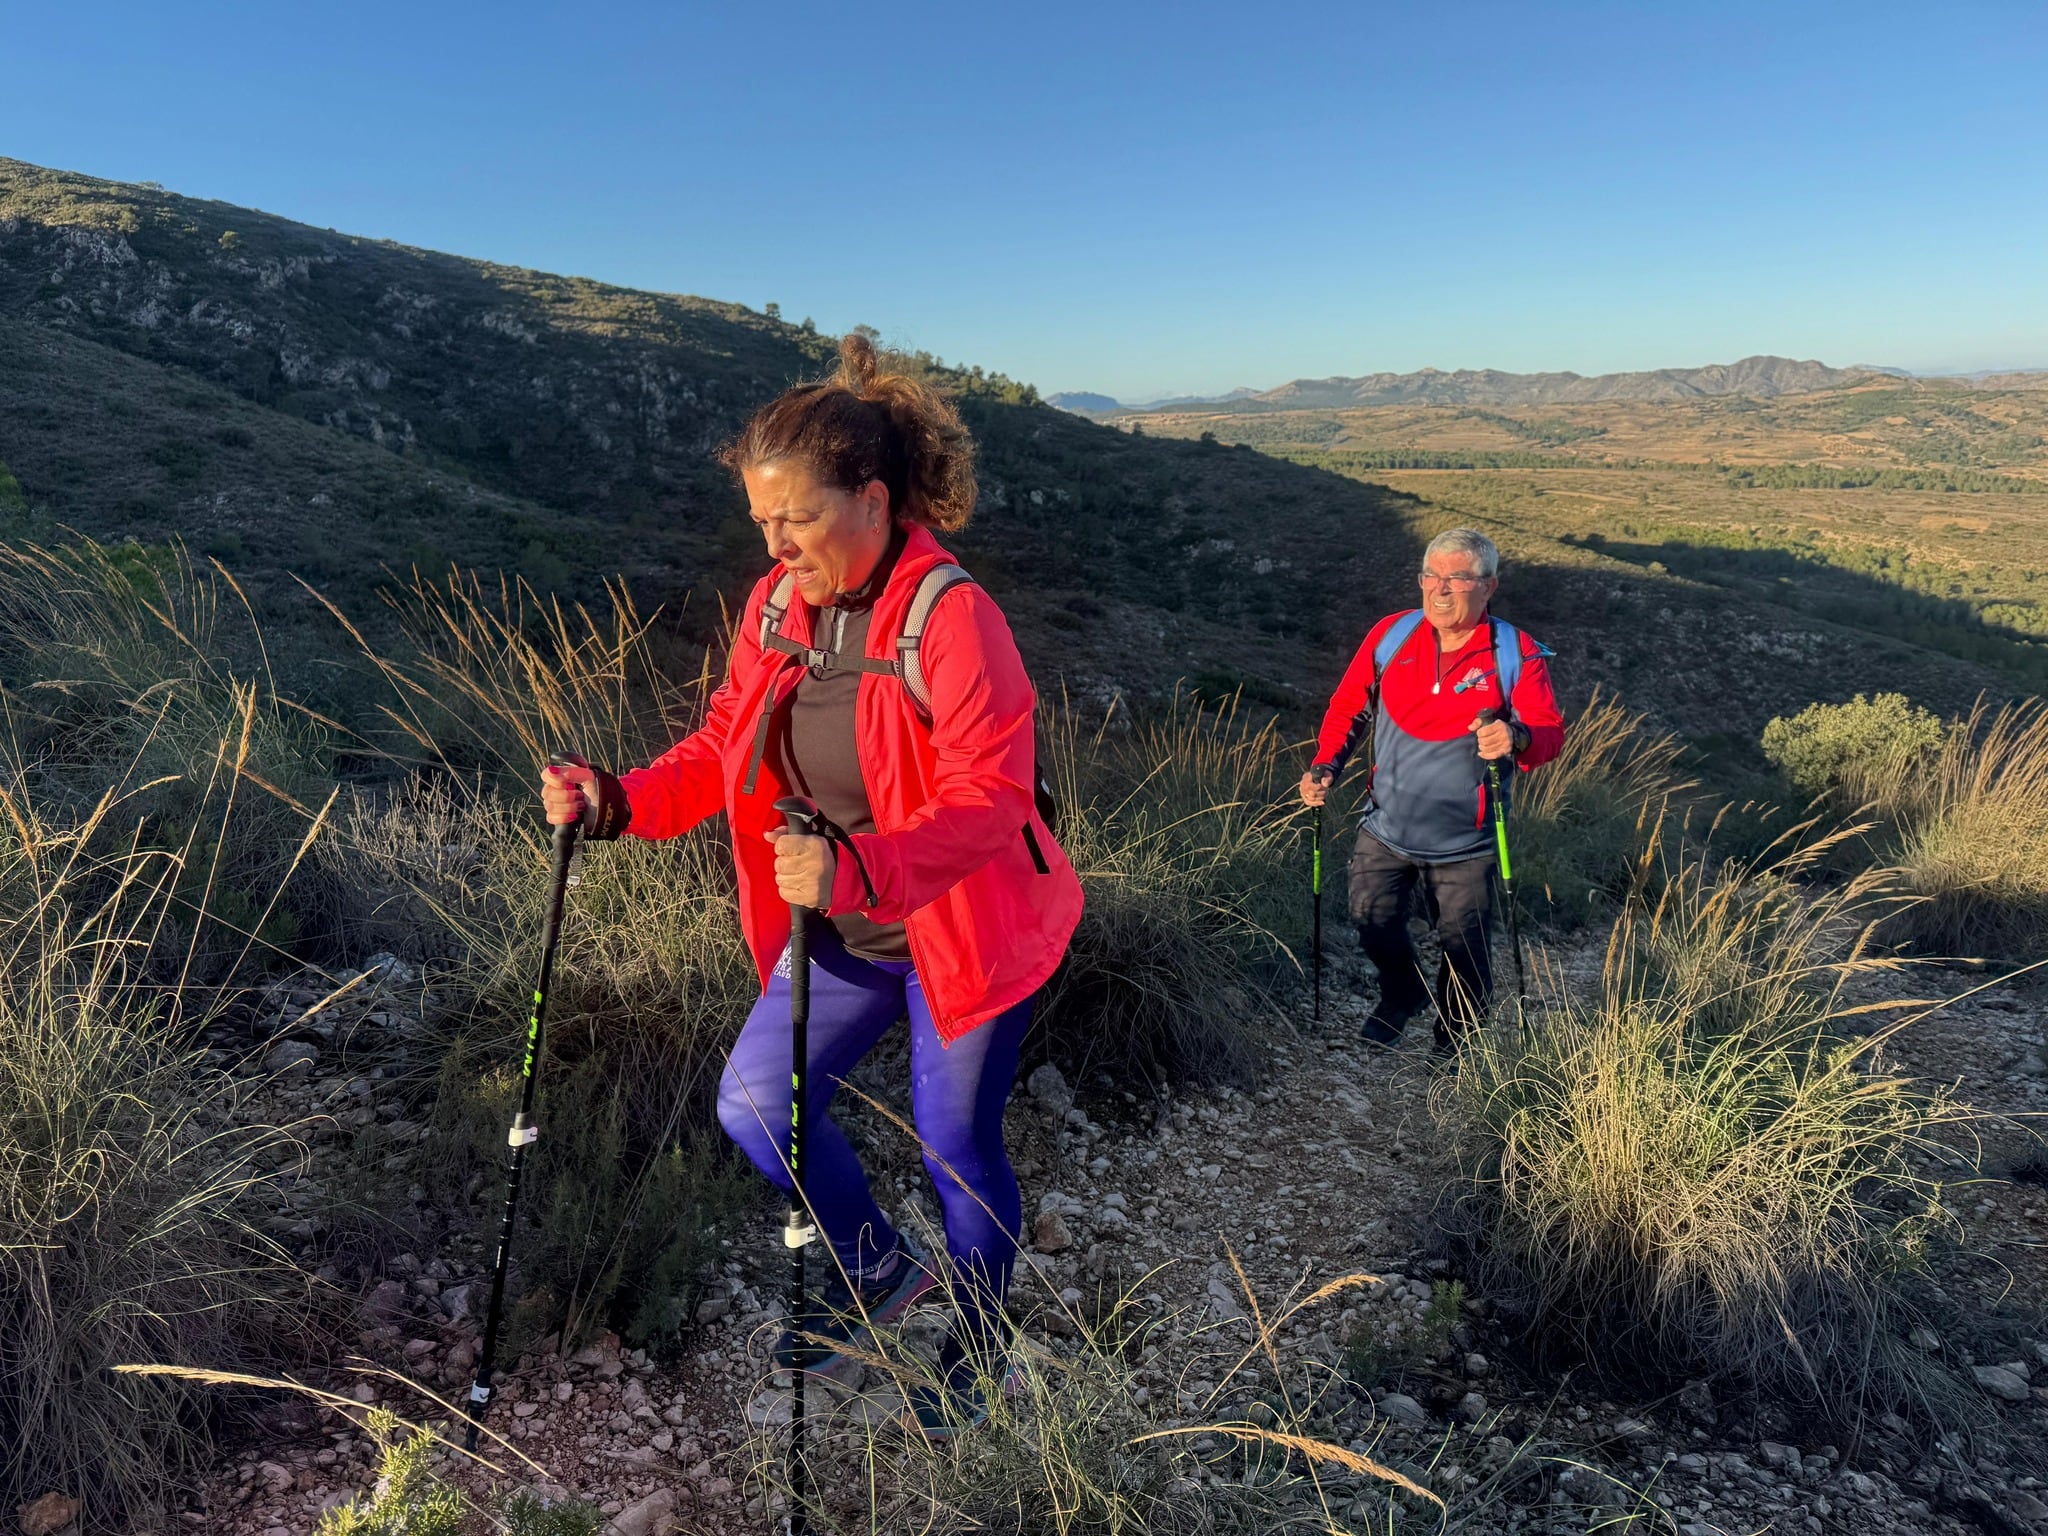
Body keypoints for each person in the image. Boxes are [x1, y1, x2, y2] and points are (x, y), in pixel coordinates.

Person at [542, 334, 1082, 1435]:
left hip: (963, 926)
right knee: (754, 1104)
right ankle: (878, 1277)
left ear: (873, 501)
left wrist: (858, 863)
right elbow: (723, 745)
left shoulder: (952, 615)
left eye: (795, 518)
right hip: (843, 923)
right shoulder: (777, 608)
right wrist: (622, 801)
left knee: (954, 1146)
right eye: (761, 523)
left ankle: (985, 1349)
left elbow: (990, 796)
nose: (777, 543)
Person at [1300, 528, 1565, 1051]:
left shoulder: (1515, 652)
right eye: (1431, 576)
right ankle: (1403, 993)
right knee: (1370, 920)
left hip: (1467, 838)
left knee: (1463, 946)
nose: (1439, 589)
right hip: (1387, 824)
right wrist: (1325, 763)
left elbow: (1549, 735)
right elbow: (1349, 706)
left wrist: (1515, 735)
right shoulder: (1390, 636)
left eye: (1457, 577)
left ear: (1489, 586)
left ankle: (1456, 1050)